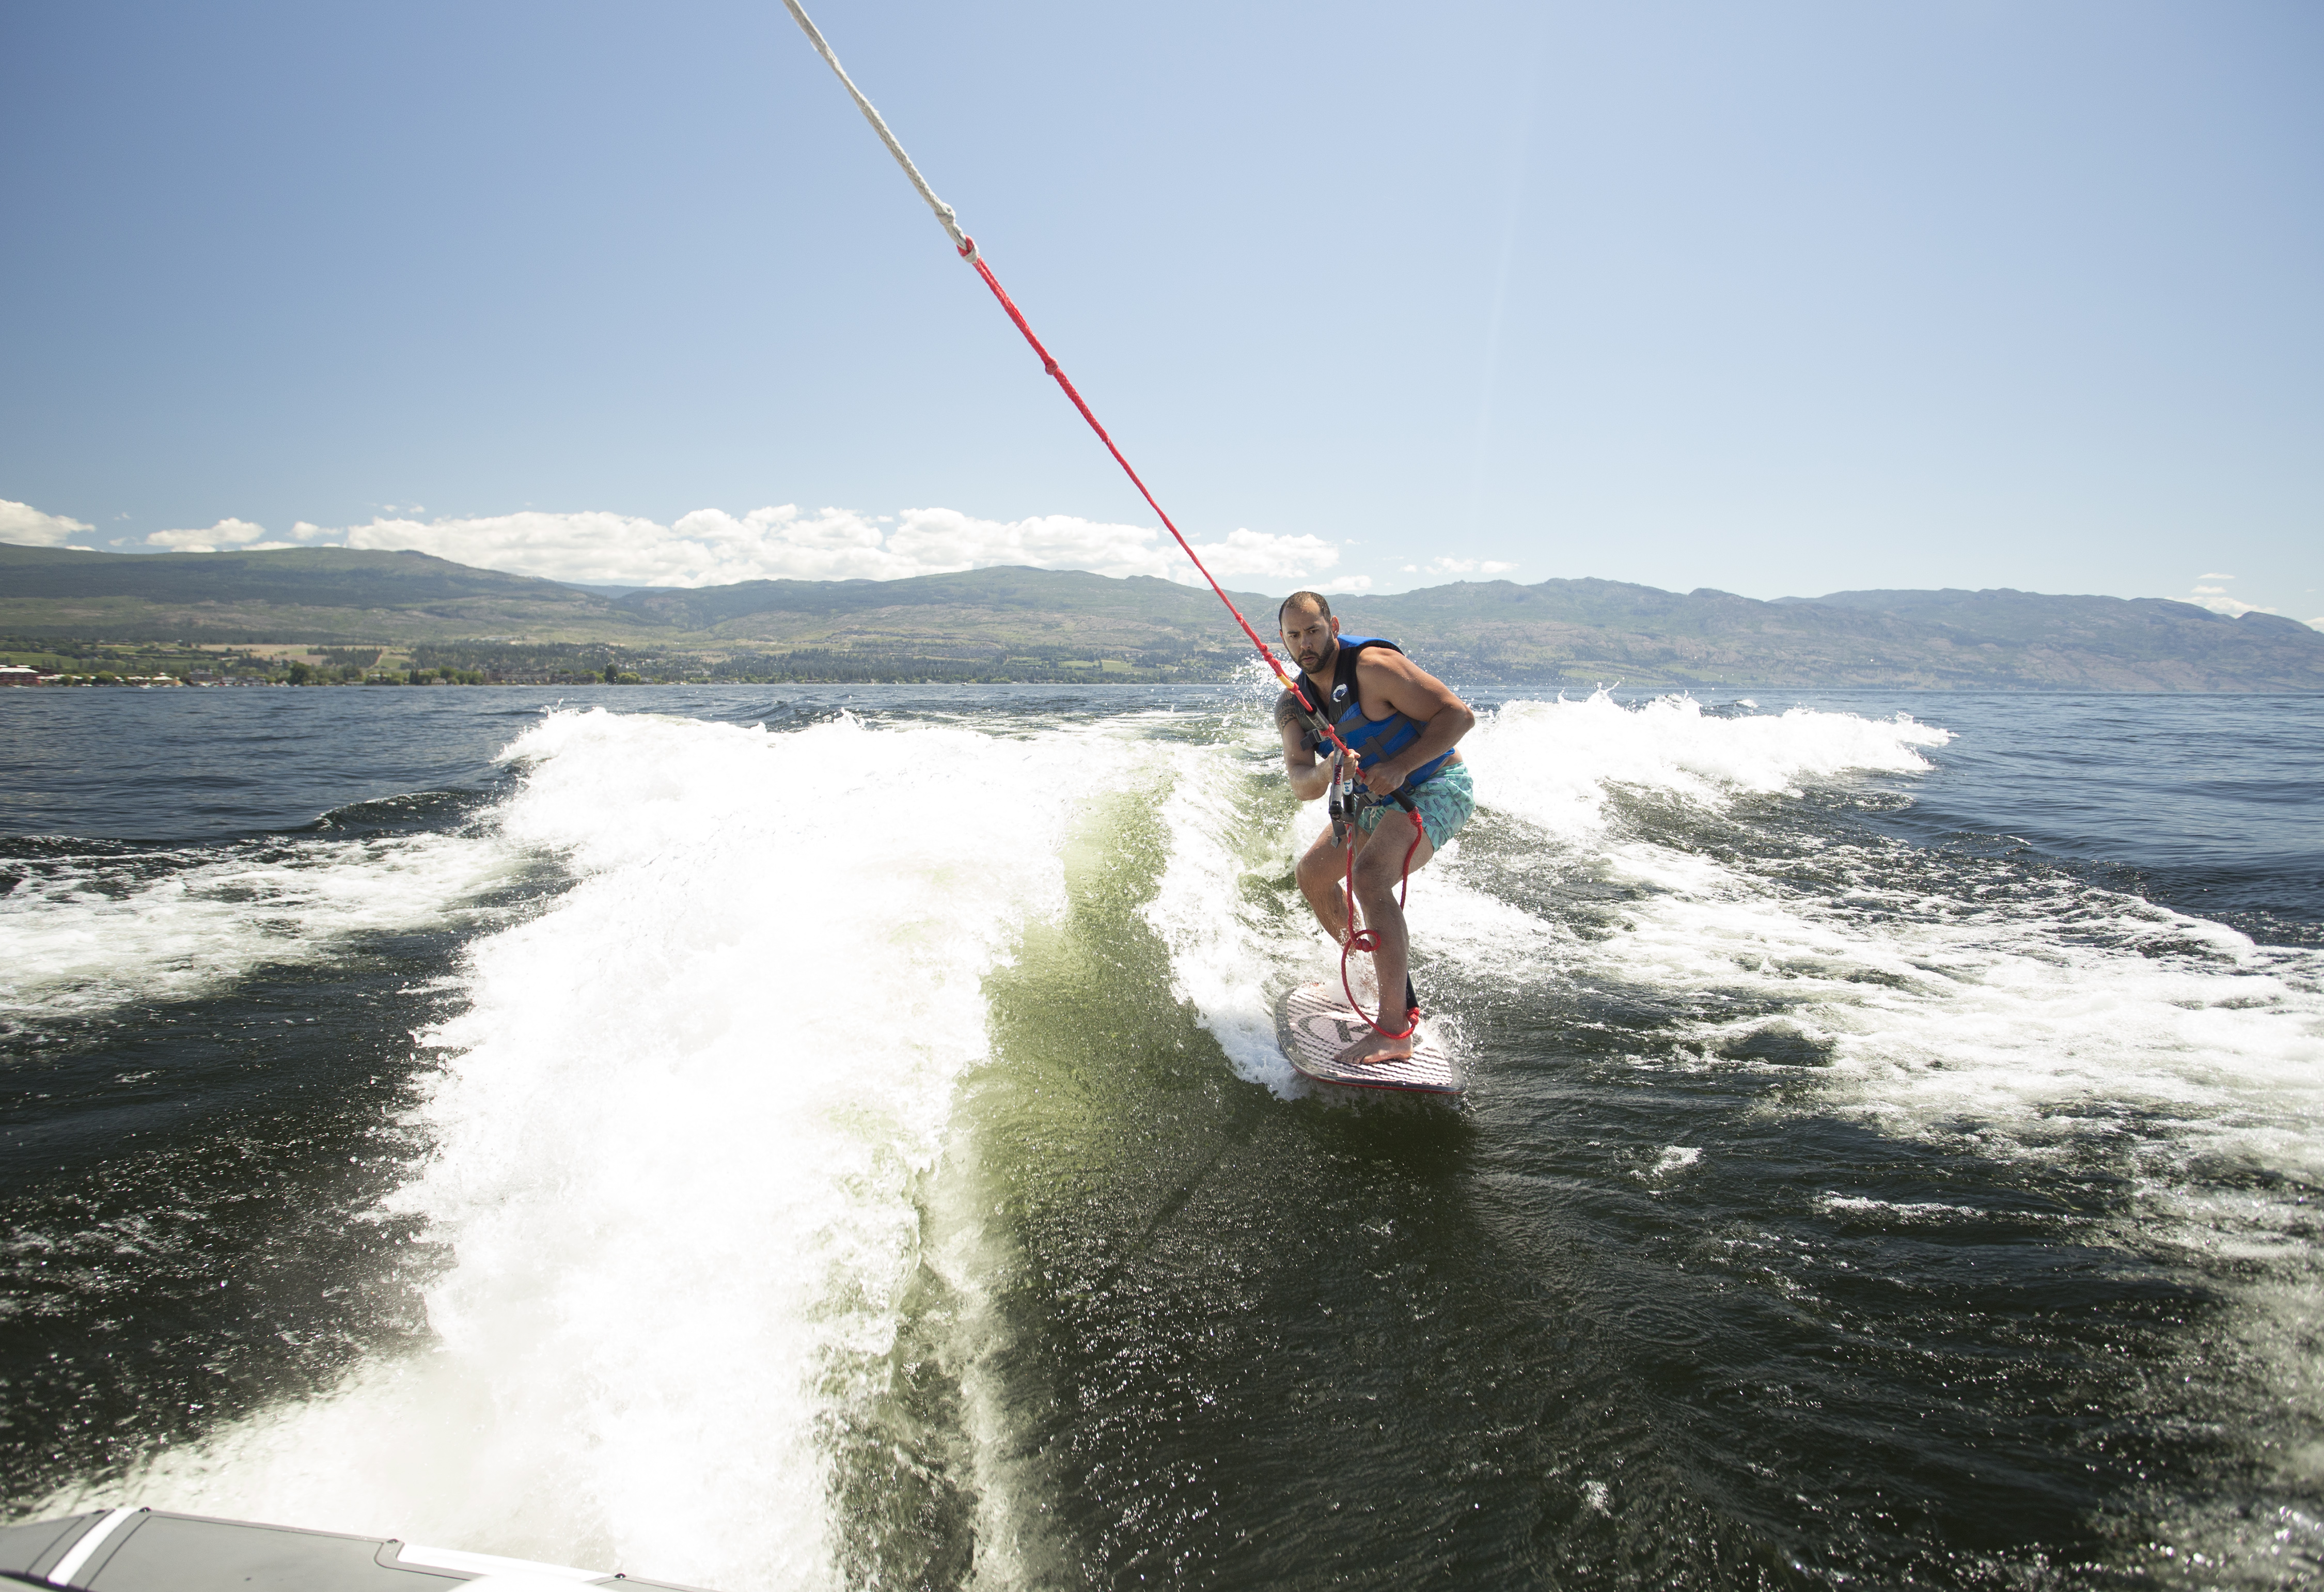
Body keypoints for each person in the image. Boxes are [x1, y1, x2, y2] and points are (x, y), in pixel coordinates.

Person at [1274, 589, 1477, 1064]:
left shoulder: (1374, 668)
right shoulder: (1293, 705)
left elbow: (1458, 716)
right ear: (1282, 641)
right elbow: (1301, 781)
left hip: (1436, 785)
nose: (1306, 643)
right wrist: (1327, 773)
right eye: (1294, 636)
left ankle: (1394, 1030)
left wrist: (1403, 765)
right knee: (1312, 876)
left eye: (1314, 631)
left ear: (1334, 626)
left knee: (1369, 878)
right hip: (1371, 800)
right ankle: (1369, 977)